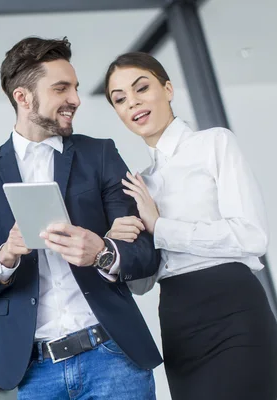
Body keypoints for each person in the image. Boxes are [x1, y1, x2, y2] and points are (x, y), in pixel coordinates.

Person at [0, 36, 162, 400]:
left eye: (76, 88)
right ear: (23, 97)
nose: (76, 100)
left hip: (113, 356)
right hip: (36, 373)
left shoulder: (99, 154)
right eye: (61, 88)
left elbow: (147, 253)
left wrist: (103, 251)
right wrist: (6, 256)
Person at [104, 51, 277, 400]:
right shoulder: (141, 184)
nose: (132, 103)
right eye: (119, 99)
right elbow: (143, 283)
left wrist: (161, 226)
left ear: (167, 89)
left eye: (141, 88)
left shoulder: (215, 143)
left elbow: (252, 236)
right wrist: (112, 252)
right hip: (178, 318)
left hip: (233, 307)